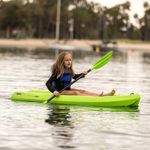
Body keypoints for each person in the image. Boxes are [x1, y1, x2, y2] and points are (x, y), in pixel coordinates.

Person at [46, 51, 115, 97]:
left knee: (83, 91)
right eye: (66, 60)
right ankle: (94, 99)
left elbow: (75, 77)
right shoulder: (57, 71)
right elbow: (48, 83)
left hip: (67, 90)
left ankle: (101, 95)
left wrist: (83, 74)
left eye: (70, 60)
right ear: (61, 62)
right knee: (76, 93)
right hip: (59, 91)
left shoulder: (69, 70)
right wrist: (54, 91)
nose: (69, 62)